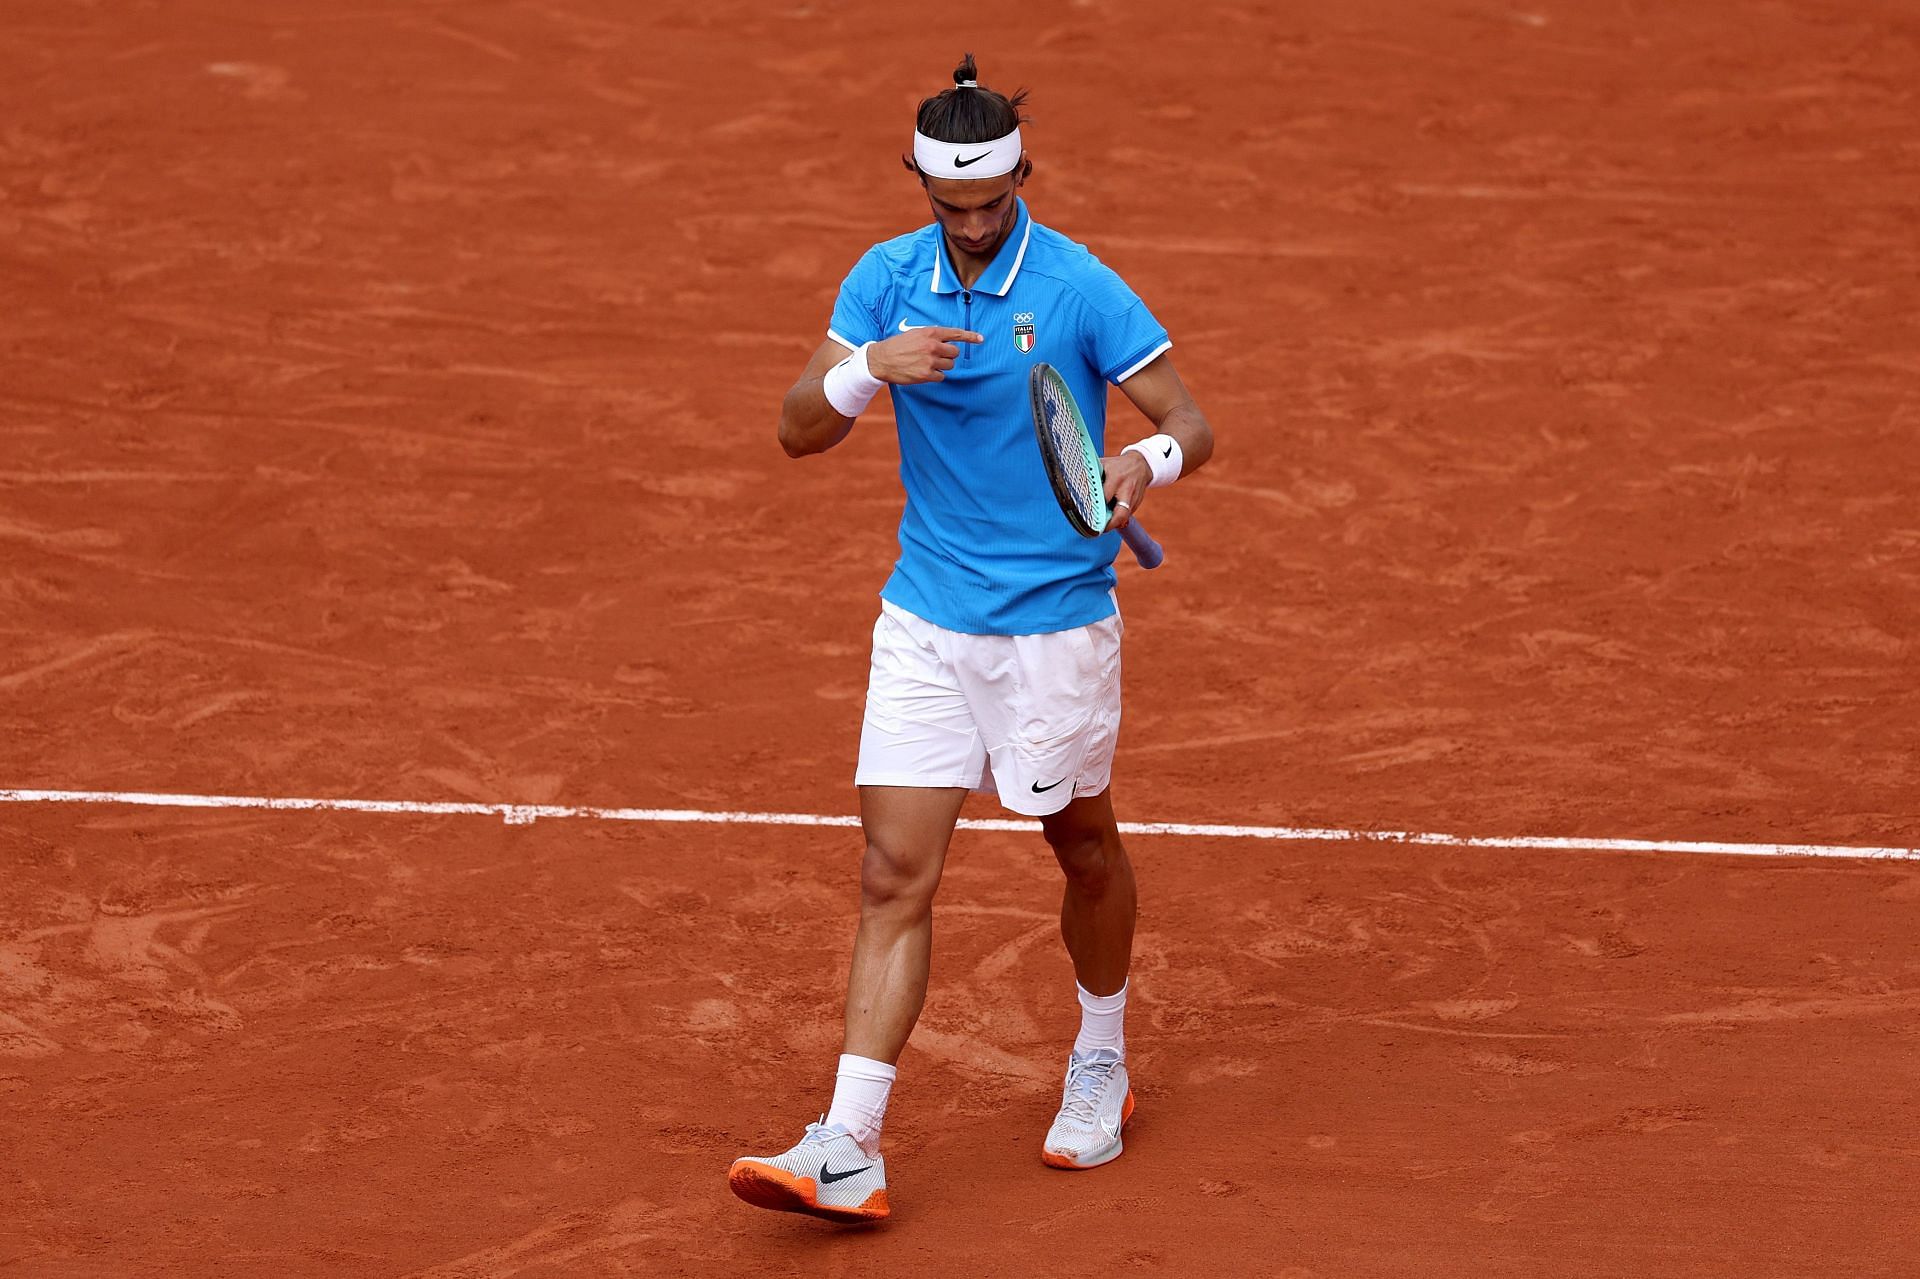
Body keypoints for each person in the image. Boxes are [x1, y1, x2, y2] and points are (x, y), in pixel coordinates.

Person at [728, 53, 1215, 1224]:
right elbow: (796, 432)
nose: (975, 227)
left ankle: (1102, 1053)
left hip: (1054, 630)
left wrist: (1140, 466)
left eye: (993, 204)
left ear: (1020, 180)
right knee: (893, 872)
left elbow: (1192, 422)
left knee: (1082, 844)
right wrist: (864, 373)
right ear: (921, 190)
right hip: (926, 625)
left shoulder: (1083, 287)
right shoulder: (882, 282)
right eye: (952, 208)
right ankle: (849, 1141)